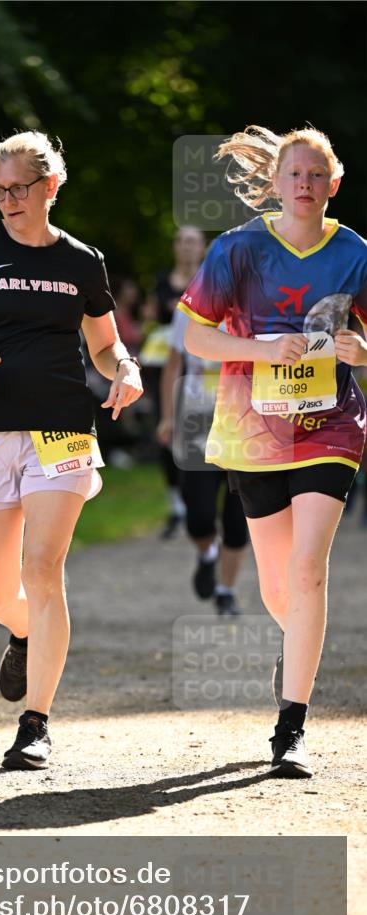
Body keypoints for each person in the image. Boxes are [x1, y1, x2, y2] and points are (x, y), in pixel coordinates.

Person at [0, 131, 143, 771]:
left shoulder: (81, 261)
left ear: (51, 186)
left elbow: (104, 345)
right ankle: (21, 631)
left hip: (63, 430)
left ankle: (35, 722)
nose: (8, 199)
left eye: (19, 187)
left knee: (43, 571)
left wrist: (123, 368)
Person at [178, 126, 367, 778]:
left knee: (308, 571)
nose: (305, 185)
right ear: (277, 182)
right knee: (276, 586)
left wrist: (359, 352)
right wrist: (261, 350)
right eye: (295, 174)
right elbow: (194, 339)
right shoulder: (238, 249)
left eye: (317, 175)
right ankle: (298, 644)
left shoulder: (354, 253)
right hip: (253, 431)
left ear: (332, 184)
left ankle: (290, 727)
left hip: (330, 428)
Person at [157, 307, 249, 615]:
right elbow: (172, 366)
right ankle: (207, 553)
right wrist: (168, 417)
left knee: (238, 517)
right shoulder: (189, 311)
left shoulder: (259, 302)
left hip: (243, 422)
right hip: (197, 421)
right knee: (198, 515)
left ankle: (226, 591)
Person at [144, 226, 207, 538]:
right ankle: (176, 507)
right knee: (167, 433)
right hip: (167, 368)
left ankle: (202, 505)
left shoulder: (210, 283)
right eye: (181, 241)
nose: (186, 247)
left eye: (192, 242)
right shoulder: (161, 283)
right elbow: (149, 320)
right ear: (174, 247)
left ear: (202, 248)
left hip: (203, 370)